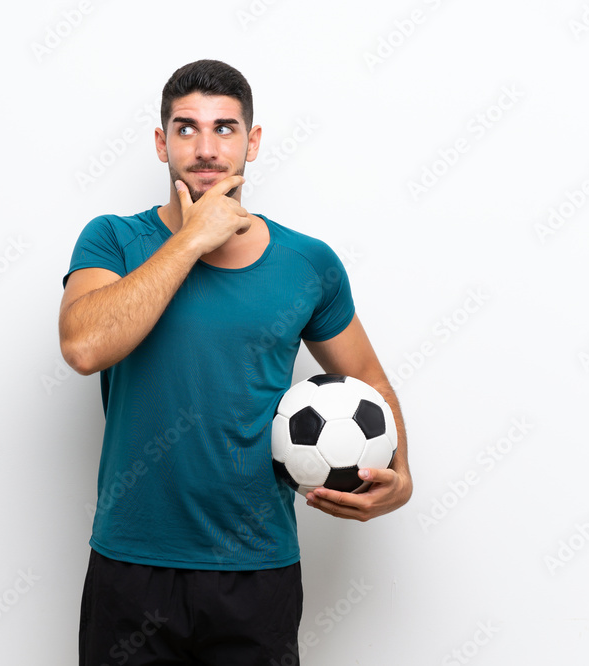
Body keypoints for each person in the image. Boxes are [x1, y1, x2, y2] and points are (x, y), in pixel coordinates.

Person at [59, 59, 412, 666]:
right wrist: (193, 238)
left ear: (251, 142)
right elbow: (84, 346)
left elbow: (368, 381)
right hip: (132, 562)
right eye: (185, 127)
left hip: (257, 571)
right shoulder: (112, 239)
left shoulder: (308, 262)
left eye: (224, 128)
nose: (204, 147)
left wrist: (399, 479)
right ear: (160, 142)